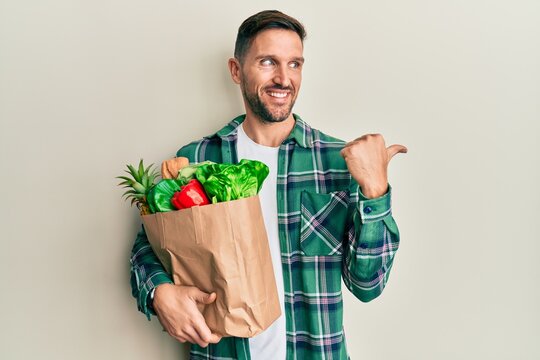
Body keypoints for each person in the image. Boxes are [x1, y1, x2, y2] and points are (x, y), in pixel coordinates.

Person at [130, 9, 407, 360]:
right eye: (267, 62)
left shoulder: (337, 161)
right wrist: (160, 292)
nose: (283, 78)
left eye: (294, 64)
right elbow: (148, 246)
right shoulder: (198, 160)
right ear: (236, 70)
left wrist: (375, 192)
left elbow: (368, 285)